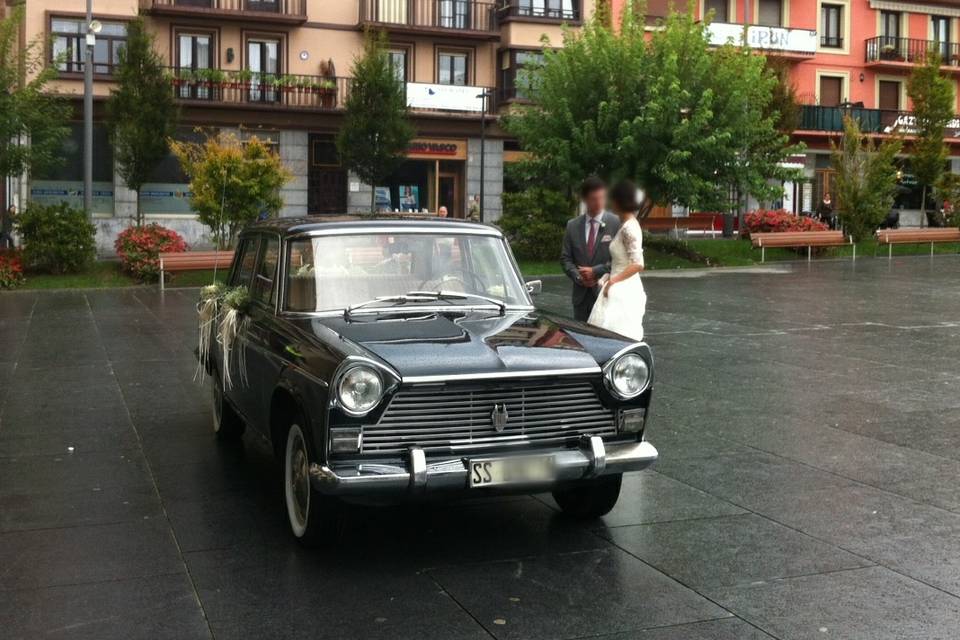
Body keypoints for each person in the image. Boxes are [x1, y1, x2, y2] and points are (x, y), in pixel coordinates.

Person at [587, 179, 647, 342]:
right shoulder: (625, 225)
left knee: (616, 333)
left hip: (623, 288)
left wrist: (613, 281)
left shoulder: (629, 228)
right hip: (617, 285)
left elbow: (638, 264)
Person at [561, 176, 621, 322]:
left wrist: (596, 271)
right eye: (594, 199)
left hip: (605, 294)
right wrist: (578, 276)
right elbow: (565, 258)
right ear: (585, 199)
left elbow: (620, 260)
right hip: (580, 298)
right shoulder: (572, 226)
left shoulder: (615, 223)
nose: (599, 203)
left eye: (602, 198)